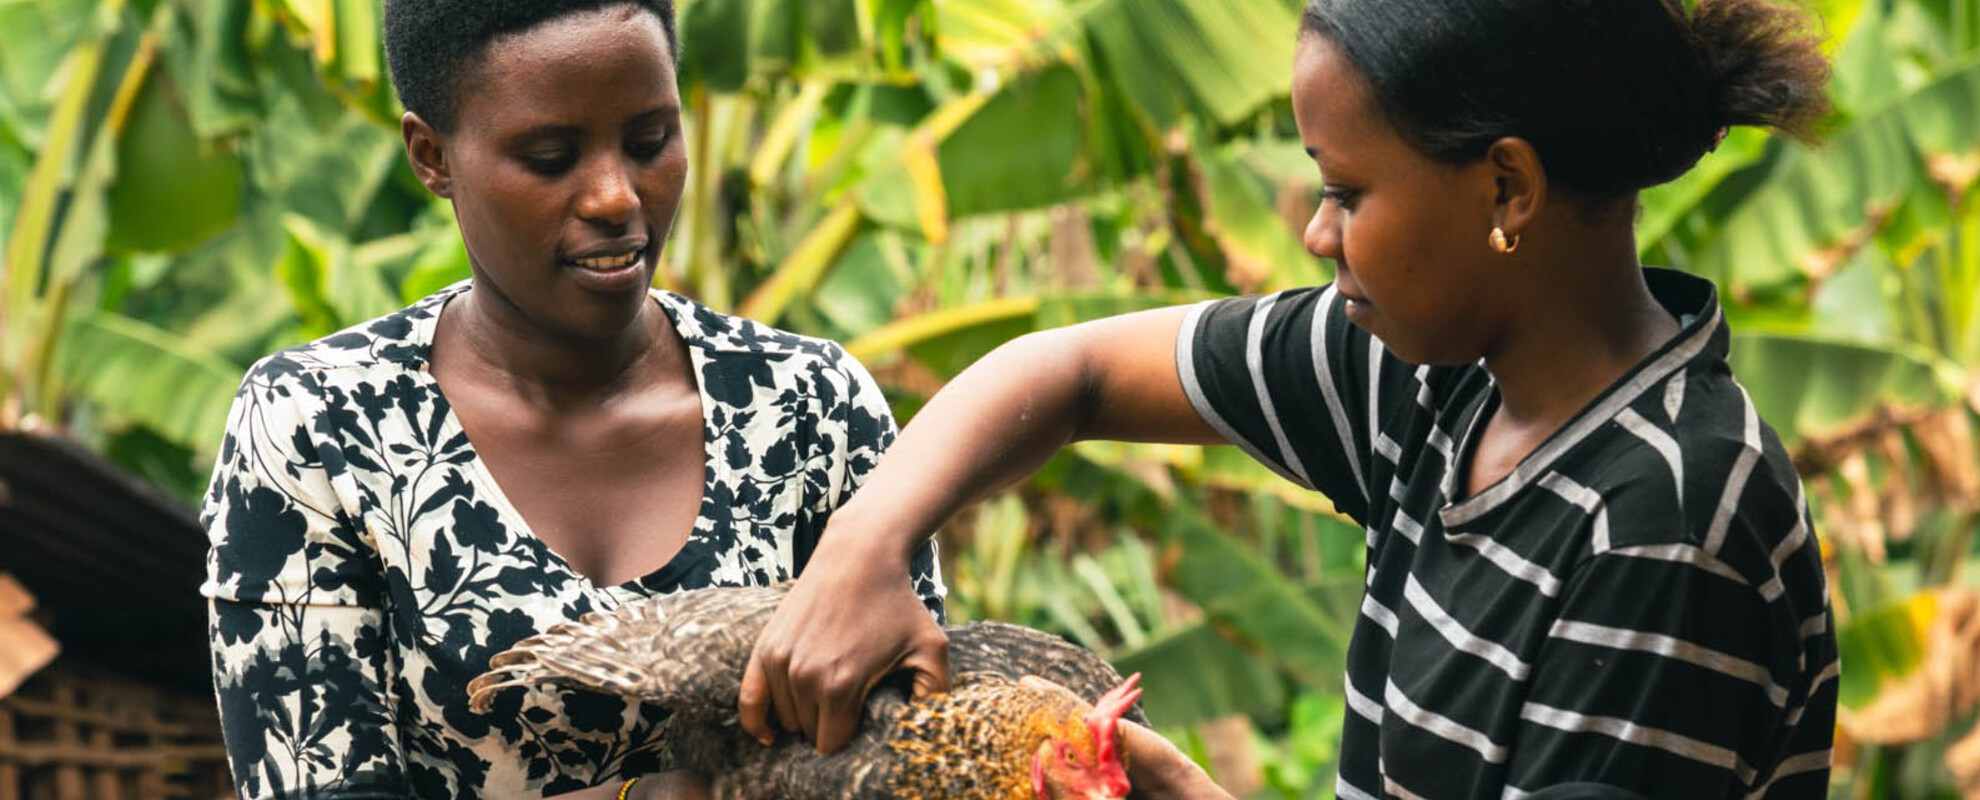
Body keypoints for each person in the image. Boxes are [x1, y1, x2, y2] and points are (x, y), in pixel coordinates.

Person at [740, 0, 1840, 797]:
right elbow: (1065, 372)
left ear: (1507, 187)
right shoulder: (1432, 375)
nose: (1317, 234)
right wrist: (865, 544)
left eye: (1346, 191)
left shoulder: (1667, 523)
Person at [198, 1, 945, 797]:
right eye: (552, 157)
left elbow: (920, 752)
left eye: (650, 141)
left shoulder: (806, 412)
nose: (616, 196)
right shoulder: (321, 426)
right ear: (432, 156)